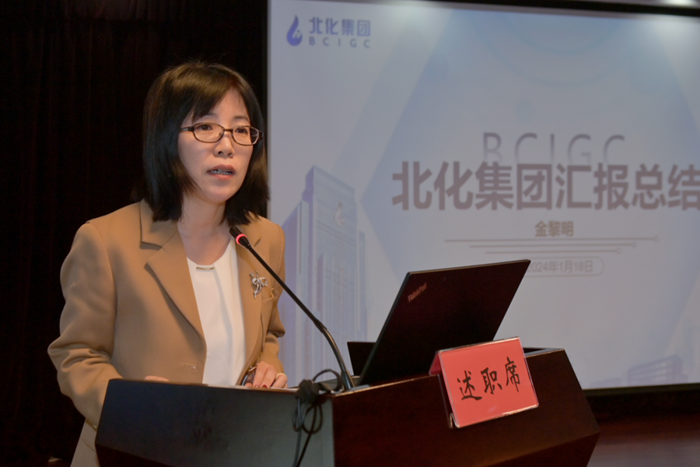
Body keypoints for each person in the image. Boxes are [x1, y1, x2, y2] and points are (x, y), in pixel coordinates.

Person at [48, 61, 287, 467]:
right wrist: (134, 411)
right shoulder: (106, 240)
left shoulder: (266, 238)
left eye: (241, 129)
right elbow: (77, 354)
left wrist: (267, 367)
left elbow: (269, 334)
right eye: (206, 127)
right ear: (166, 138)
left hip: (232, 452)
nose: (227, 145)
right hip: (130, 455)